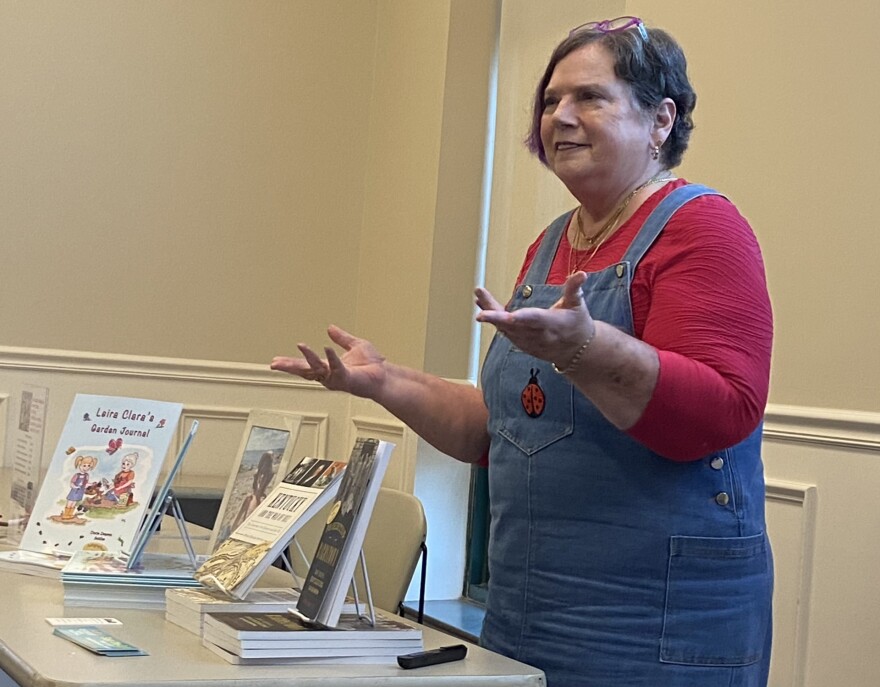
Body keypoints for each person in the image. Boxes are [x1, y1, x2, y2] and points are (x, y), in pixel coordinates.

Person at [271, 15, 773, 687]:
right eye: (548, 101)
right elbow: (502, 428)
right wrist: (385, 382)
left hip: (656, 637)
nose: (558, 116)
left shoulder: (705, 228)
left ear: (661, 119)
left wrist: (589, 348)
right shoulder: (550, 244)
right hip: (526, 624)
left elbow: (722, 411)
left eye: (588, 97)